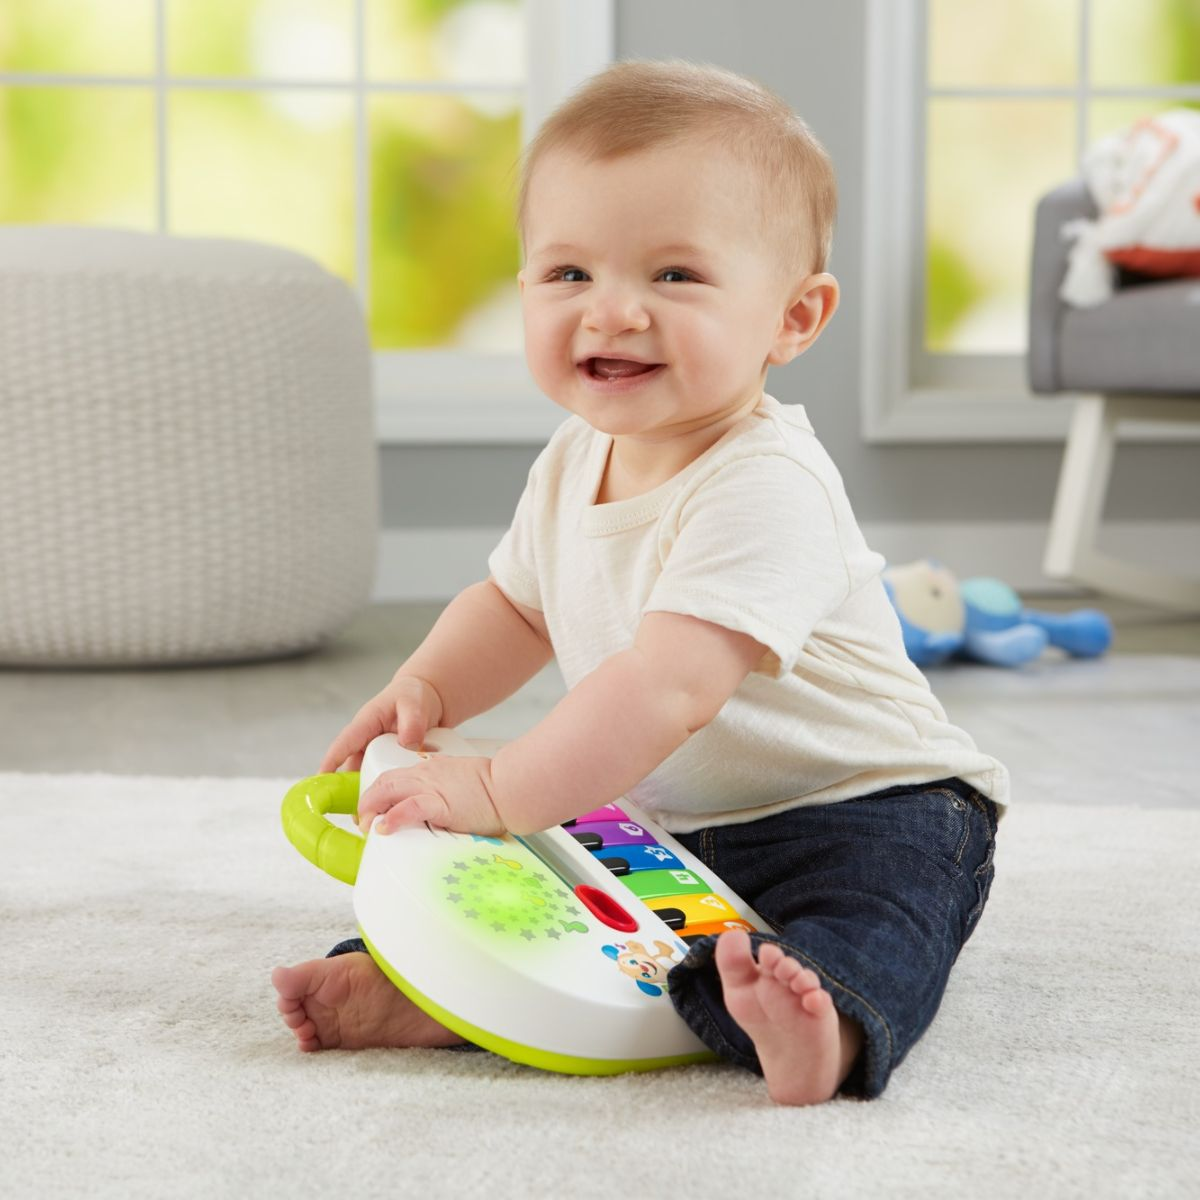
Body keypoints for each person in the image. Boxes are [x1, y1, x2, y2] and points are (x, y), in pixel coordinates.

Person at [272, 58, 1007, 1106]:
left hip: (862, 804)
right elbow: (514, 602)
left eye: (674, 277)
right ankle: (432, 990)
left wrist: (494, 784)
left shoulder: (767, 482)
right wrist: (428, 690)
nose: (611, 313)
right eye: (569, 275)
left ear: (792, 319)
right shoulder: (574, 456)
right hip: (672, 811)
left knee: (865, 919)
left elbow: (668, 685)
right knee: (523, 872)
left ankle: (825, 1023)